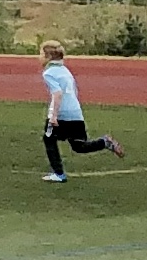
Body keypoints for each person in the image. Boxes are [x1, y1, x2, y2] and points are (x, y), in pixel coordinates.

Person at [40, 40, 124, 182]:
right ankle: (104, 142)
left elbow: (57, 94)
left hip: (62, 114)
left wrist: (53, 116)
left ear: (48, 56)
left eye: (41, 53)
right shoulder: (65, 71)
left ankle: (59, 174)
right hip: (75, 113)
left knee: (48, 138)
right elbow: (74, 91)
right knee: (79, 146)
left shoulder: (49, 73)